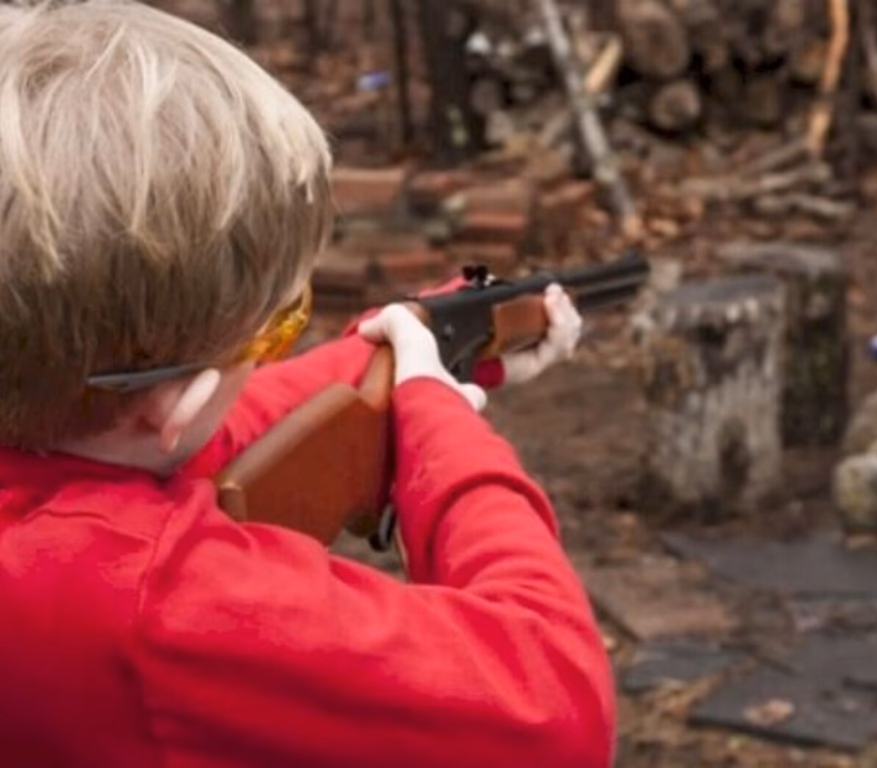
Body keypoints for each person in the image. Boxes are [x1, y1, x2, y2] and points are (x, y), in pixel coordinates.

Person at [0, 2, 616, 767]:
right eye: (282, 326)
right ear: (174, 401)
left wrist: (427, 347)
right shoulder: (154, 609)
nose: (286, 343)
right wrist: (444, 432)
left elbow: (211, 427)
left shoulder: (54, 478)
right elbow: (555, 706)